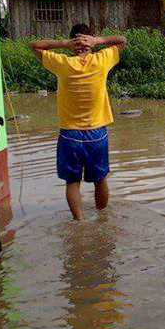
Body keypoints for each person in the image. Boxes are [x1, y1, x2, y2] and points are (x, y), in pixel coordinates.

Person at [30, 24, 127, 220]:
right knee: (100, 180)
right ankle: (102, 219)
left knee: (72, 182)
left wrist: (64, 44)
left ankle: (79, 221)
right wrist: (98, 41)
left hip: (69, 134)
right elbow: (122, 40)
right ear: (91, 42)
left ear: (72, 42)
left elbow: (34, 46)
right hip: (97, 133)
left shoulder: (63, 64)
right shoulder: (102, 60)